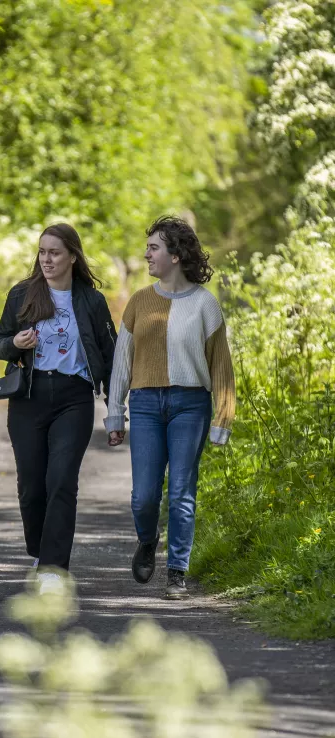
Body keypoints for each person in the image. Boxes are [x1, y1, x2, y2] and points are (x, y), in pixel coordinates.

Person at [105, 216, 235, 599]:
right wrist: (116, 412)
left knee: (181, 491)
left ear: (175, 255)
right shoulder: (140, 302)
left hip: (190, 405)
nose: (146, 255)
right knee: (143, 496)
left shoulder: (205, 305)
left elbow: (222, 368)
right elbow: (122, 362)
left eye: (154, 248)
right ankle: (148, 540)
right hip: (145, 404)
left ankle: (177, 571)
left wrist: (223, 418)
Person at [0, 223, 117, 592]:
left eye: (55, 253)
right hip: (28, 397)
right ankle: (40, 551)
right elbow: (0, 345)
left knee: (61, 479)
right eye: (42, 252)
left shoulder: (91, 300)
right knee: (31, 487)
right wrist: (15, 341)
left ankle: (53, 568)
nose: (46, 259)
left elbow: (109, 359)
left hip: (73, 398)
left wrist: (115, 413)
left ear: (72, 257)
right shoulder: (22, 295)